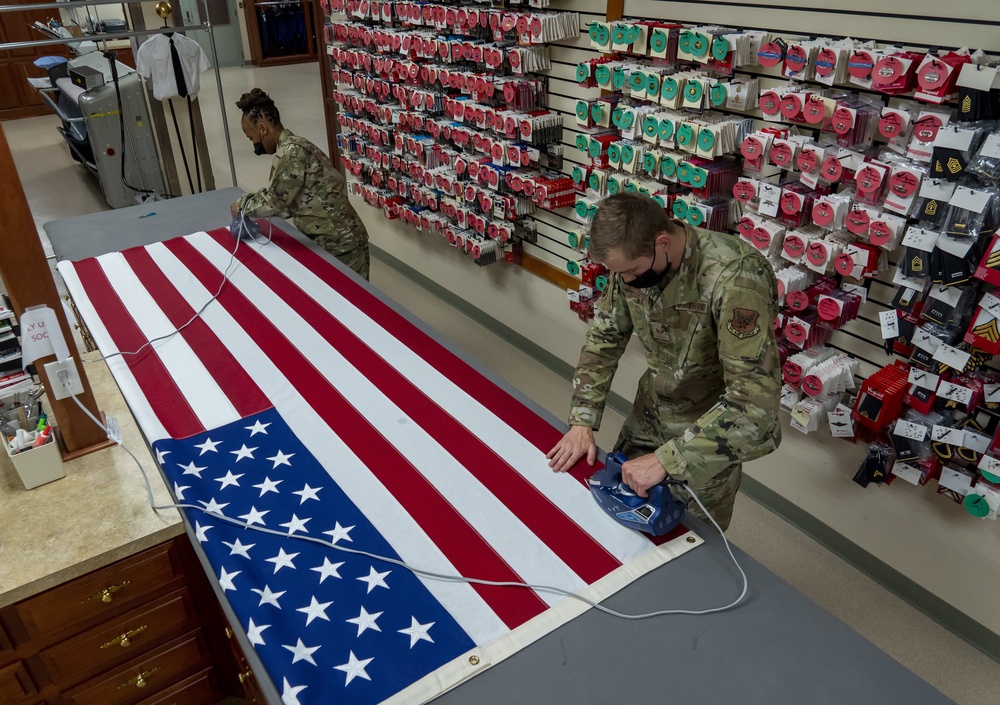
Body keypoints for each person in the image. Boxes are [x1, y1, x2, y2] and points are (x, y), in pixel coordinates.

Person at [546, 193, 782, 531]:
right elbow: (604, 339)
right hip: (650, 415)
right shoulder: (631, 260)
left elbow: (753, 406)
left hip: (707, 435)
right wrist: (582, 421)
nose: (625, 281)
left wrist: (668, 460)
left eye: (631, 271)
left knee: (688, 542)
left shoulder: (735, 279)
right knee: (617, 526)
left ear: (662, 243)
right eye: (619, 273)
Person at [231, 88, 371, 279]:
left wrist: (242, 205)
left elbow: (275, 201)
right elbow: (289, 202)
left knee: (353, 302)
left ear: (263, 129)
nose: (254, 143)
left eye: (251, 137)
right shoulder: (295, 145)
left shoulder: (291, 153)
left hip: (341, 245)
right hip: (339, 239)